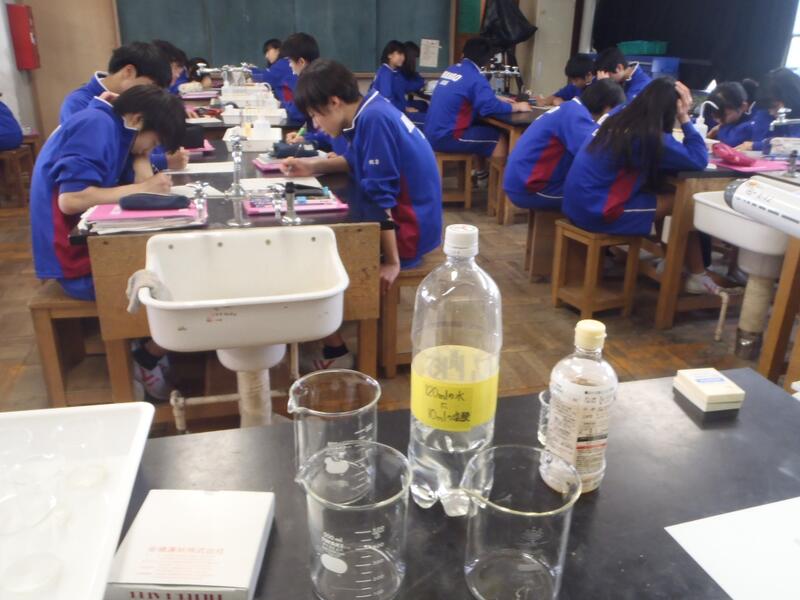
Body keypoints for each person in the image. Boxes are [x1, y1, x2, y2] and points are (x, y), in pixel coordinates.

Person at [280, 59, 443, 370]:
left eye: (315, 115)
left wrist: (392, 261)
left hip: (409, 231)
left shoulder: (373, 120)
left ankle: (337, 350)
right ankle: (329, 333)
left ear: (334, 102)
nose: (316, 125)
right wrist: (313, 165)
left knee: (310, 254)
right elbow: (357, 160)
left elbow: (382, 197)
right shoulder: (371, 107)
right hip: (415, 219)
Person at [30, 86, 186, 398]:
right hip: (76, 262)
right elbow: (71, 200)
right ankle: (147, 353)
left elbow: (140, 173)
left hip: (93, 247)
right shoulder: (96, 124)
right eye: (155, 141)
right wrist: (145, 188)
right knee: (179, 279)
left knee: (176, 263)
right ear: (138, 118)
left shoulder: (116, 126)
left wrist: (143, 159)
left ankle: (152, 347)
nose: (152, 148)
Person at [563, 78, 720, 295]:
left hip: (576, 202)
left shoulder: (620, 115)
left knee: (664, 191)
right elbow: (698, 160)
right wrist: (685, 118)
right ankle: (696, 274)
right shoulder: (650, 134)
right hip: (596, 211)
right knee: (684, 201)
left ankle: (673, 261)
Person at [59, 42, 187, 175]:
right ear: (129, 72)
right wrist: (163, 161)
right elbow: (96, 159)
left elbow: (143, 145)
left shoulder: (132, 103)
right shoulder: (80, 103)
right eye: (150, 86)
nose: (151, 94)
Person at [504, 79, 625, 210]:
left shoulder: (570, 108)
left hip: (521, 180)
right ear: (607, 108)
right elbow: (594, 156)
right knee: (604, 196)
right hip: (531, 188)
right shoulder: (576, 116)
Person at [424, 37, 531, 178]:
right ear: (486, 60)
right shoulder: (476, 77)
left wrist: (494, 97)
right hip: (448, 136)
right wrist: (517, 107)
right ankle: (497, 186)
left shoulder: (452, 69)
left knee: (483, 130)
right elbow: (489, 107)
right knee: (497, 138)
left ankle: (481, 173)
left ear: (464, 53)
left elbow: (467, 92)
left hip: (432, 132)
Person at [739, 68, 800, 152]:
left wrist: (758, 146)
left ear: (791, 98)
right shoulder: (765, 111)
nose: (771, 112)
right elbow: (759, 139)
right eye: (768, 108)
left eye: (775, 106)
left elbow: (795, 146)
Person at [274, 32, 320, 124]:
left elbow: (300, 112)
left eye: (290, 61)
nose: (290, 65)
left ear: (301, 62)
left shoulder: (313, 83)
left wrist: (281, 104)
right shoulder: (312, 76)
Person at [705, 82, 753, 147]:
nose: (718, 120)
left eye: (724, 115)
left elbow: (730, 142)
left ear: (743, 107)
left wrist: (718, 129)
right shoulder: (722, 120)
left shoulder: (749, 125)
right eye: (715, 116)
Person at [369, 40, 407, 112]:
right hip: (383, 112)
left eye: (404, 55)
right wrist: (405, 109)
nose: (403, 58)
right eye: (399, 54)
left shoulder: (394, 72)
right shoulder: (385, 73)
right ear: (389, 55)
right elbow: (387, 101)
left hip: (393, 109)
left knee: (421, 105)